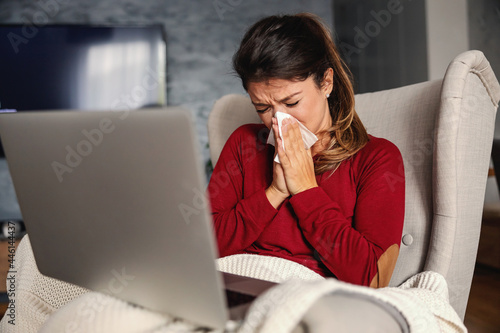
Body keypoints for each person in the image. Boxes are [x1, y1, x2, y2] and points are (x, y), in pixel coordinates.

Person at [207, 13, 405, 288]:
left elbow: (371, 276)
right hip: (236, 286)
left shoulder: (377, 158)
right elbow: (204, 245)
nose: (277, 120)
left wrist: (305, 190)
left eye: (292, 102)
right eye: (263, 108)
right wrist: (274, 193)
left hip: (313, 297)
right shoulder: (244, 144)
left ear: (326, 83)